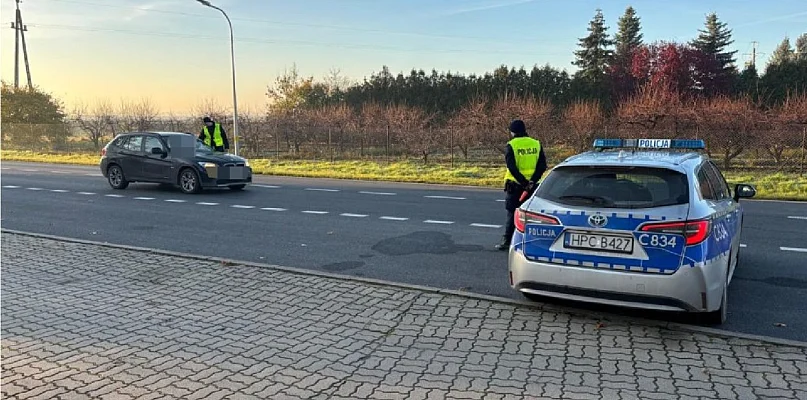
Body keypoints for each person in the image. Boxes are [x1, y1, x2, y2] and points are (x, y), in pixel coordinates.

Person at [496, 119, 548, 251]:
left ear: (512, 132)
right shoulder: (536, 144)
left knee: (513, 213)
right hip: (533, 186)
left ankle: (507, 241)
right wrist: (531, 182)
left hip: (515, 186)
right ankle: (534, 242)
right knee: (534, 215)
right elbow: (542, 166)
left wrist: (524, 183)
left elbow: (512, 168)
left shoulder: (511, 145)